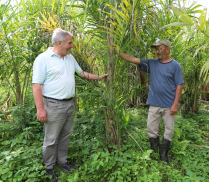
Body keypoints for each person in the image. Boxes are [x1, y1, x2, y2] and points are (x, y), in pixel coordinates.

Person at [32, 28, 108, 181]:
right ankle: (48, 167)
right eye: (70, 43)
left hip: (69, 104)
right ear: (59, 43)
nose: (72, 46)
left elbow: (82, 73)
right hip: (52, 105)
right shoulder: (43, 59)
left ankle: (62, 162)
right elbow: (36, 85)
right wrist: (40, 109)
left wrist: (100, 77)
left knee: (65, 135)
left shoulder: (70, 58)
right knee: (51, 138)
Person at [115, 39, 183, 162]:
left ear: (167, 49)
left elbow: (179, 85)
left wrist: (175, 104)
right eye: (156, 49)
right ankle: (154, 152)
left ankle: (163, 156)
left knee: (169, 130)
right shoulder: (152, 63)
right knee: (151, 129)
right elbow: (133, 59)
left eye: (159, 49)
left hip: (169, 105)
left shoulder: (175, 65)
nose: (157, 51)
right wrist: (117, 51)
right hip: (154, 103)